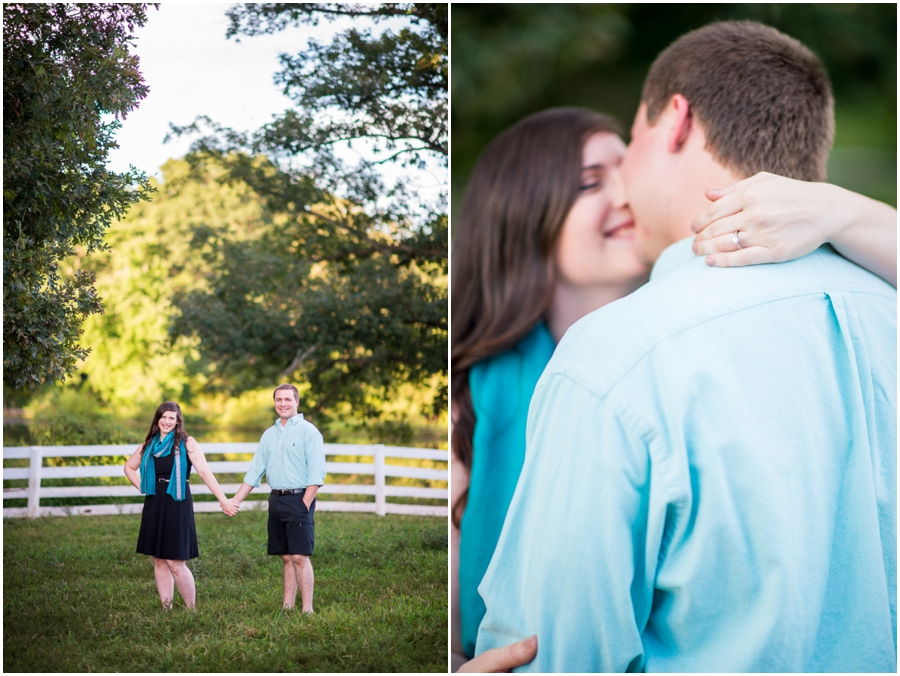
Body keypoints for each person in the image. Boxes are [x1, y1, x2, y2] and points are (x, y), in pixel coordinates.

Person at [473, 21, 896, 672]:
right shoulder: (886, 309)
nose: (620, 190)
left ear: (674, 120)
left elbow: (552, 656)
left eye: (630, 144)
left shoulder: (613, 360)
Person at [125, 401, 237, 610]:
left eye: (172, 418)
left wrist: (224, 500)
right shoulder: (149, 444)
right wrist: (144, 486)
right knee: (158, 559)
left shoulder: (186, 443)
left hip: (177, 502)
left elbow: (205, 472)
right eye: (164, 417)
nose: (167, 421)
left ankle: (190, 609)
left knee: (176, 561)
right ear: (157, 419)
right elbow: (129, 468)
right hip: (155, 502)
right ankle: (166, 608)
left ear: (177, 421)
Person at [230, 383, 326, 613]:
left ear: (297, 402)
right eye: (278, 400)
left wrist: (305, 504)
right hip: (276, 500)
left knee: (300, 556)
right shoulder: (269, 435)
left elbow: (317, 473)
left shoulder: (309, 432)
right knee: (285, 557)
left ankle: (308, 610)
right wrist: (235, 501)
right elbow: (255, 472)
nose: (282, 403)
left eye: (287, 399)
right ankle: (287, 606)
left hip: (299, 499)